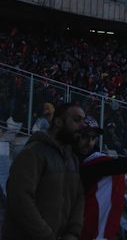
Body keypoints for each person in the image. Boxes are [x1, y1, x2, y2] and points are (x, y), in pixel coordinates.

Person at [2, 102, 85, 240]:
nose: (82, 126)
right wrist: (47, 236)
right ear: (58, 122)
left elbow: (79, 197)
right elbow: (20, 199)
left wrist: (72, 233)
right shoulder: (33, 153)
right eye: (77, 120)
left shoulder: (72, 159)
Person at [76, 116, 127, 240]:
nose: (89, 143)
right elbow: (109, 166)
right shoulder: (68, 158)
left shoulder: (94, 161)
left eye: (93, 138)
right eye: (85, 137)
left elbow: (109, 166)